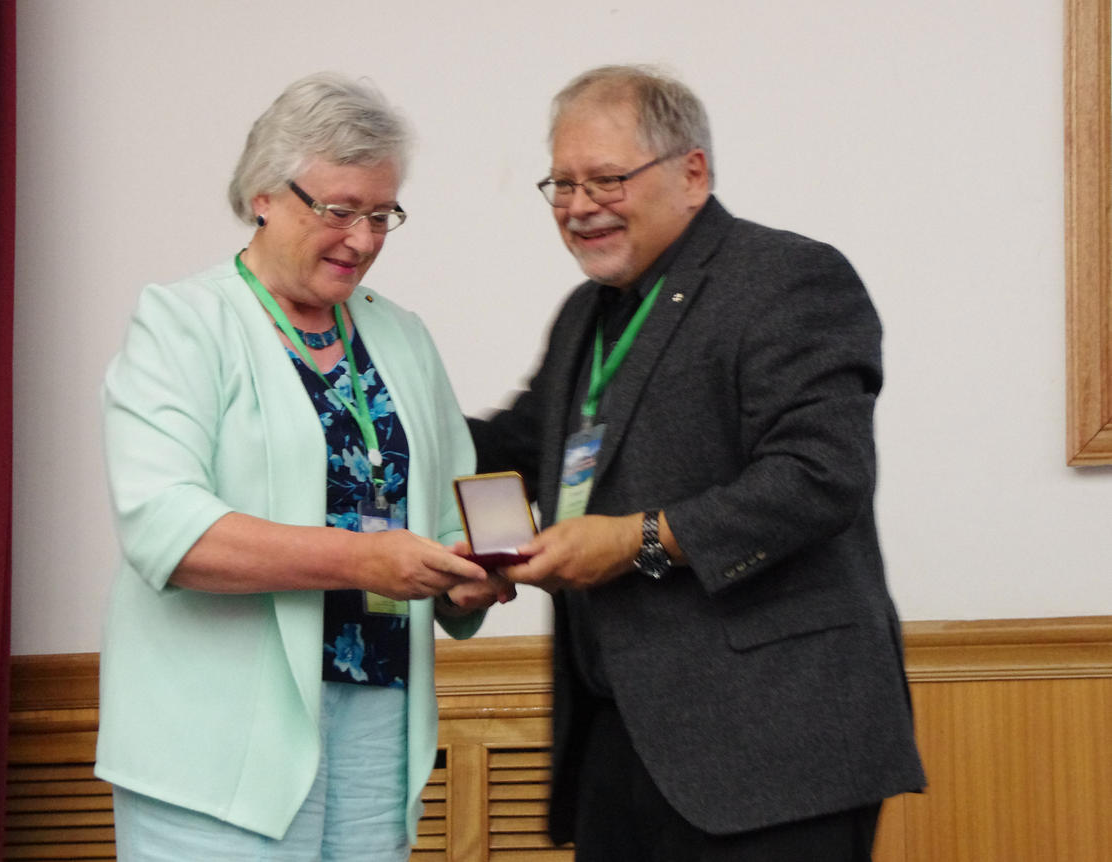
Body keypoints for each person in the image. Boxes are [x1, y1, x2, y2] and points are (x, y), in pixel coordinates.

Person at [470, 65, 925, 861]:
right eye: (562, 185)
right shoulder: (588, 315)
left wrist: (636, 540)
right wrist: (372, 404)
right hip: (620, 744)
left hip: (775, 753)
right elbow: (514, 447)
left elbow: (820, 477)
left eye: (606, 179)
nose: (579, 208)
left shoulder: (788, 278)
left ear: (692, 172)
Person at [97, 72, 513, 861]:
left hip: (376, 731)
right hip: (217, 743)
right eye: (338, 210)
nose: (362, 239)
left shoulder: (402, 337)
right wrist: (366, 559)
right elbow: (167, 532)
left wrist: (479, 571)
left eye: (381, 214)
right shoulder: (183, 323)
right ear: (263, 193)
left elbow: (460, 508)